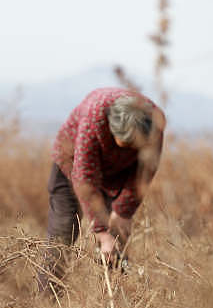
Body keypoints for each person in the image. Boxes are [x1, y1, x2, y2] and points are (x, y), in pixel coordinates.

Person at [38, 87, 166, 292]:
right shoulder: (93, 117)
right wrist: (100, 229)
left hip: (118, 175)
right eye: (123, 144)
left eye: (134, 146)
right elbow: (85, 178)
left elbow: (145, 171)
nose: (126, 150)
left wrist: (123, 212)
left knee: (116, 240)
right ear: (110, 127)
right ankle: (47, 302)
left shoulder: (155, 124)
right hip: (72, 164)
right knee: (63, 231)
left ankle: (112, 305)